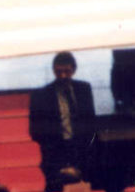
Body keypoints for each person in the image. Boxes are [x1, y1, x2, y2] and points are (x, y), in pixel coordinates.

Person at [27, 52, 97, 184]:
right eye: (59, 72)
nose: (63, 75)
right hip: (55, 153)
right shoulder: (40, 95)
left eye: (67, 71)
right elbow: (35, 130)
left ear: (74, 70)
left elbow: (90, 121)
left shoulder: (84, 89)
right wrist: (51, 148)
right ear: (53, 70)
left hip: (81, 151)